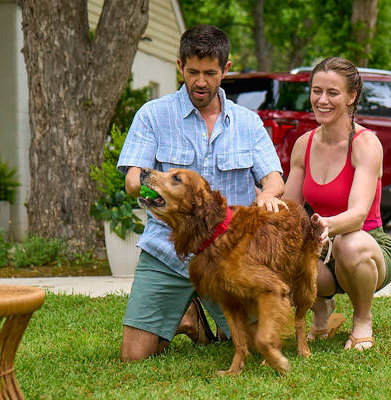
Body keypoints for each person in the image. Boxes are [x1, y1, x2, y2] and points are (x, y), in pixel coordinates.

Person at [116, 25, 286, 362]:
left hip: (229, 256)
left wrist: (268, 193)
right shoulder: (153, 115)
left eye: (210, 73)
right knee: (134, 357)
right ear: (180, 66)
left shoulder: (248, 123)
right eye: (192, 72)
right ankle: (188, 316)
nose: (201, 82)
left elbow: (274, 179)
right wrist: (136, 179)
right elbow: (134, 172)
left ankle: (214, 315)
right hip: (167, 250)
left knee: (259, 348)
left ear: (226, 68)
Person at [282, 57, 391, 351]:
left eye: (332, 93)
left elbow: (358, 216)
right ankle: (321, 308)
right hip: (322, 248)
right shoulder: (303, 145)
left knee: (349, 243)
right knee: (283, 245)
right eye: (316, 91)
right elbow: (289, 210)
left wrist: (327, 226)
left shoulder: (365, 144)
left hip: (366, 245)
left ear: (351, 97)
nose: (322, 100)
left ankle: (362, 320)